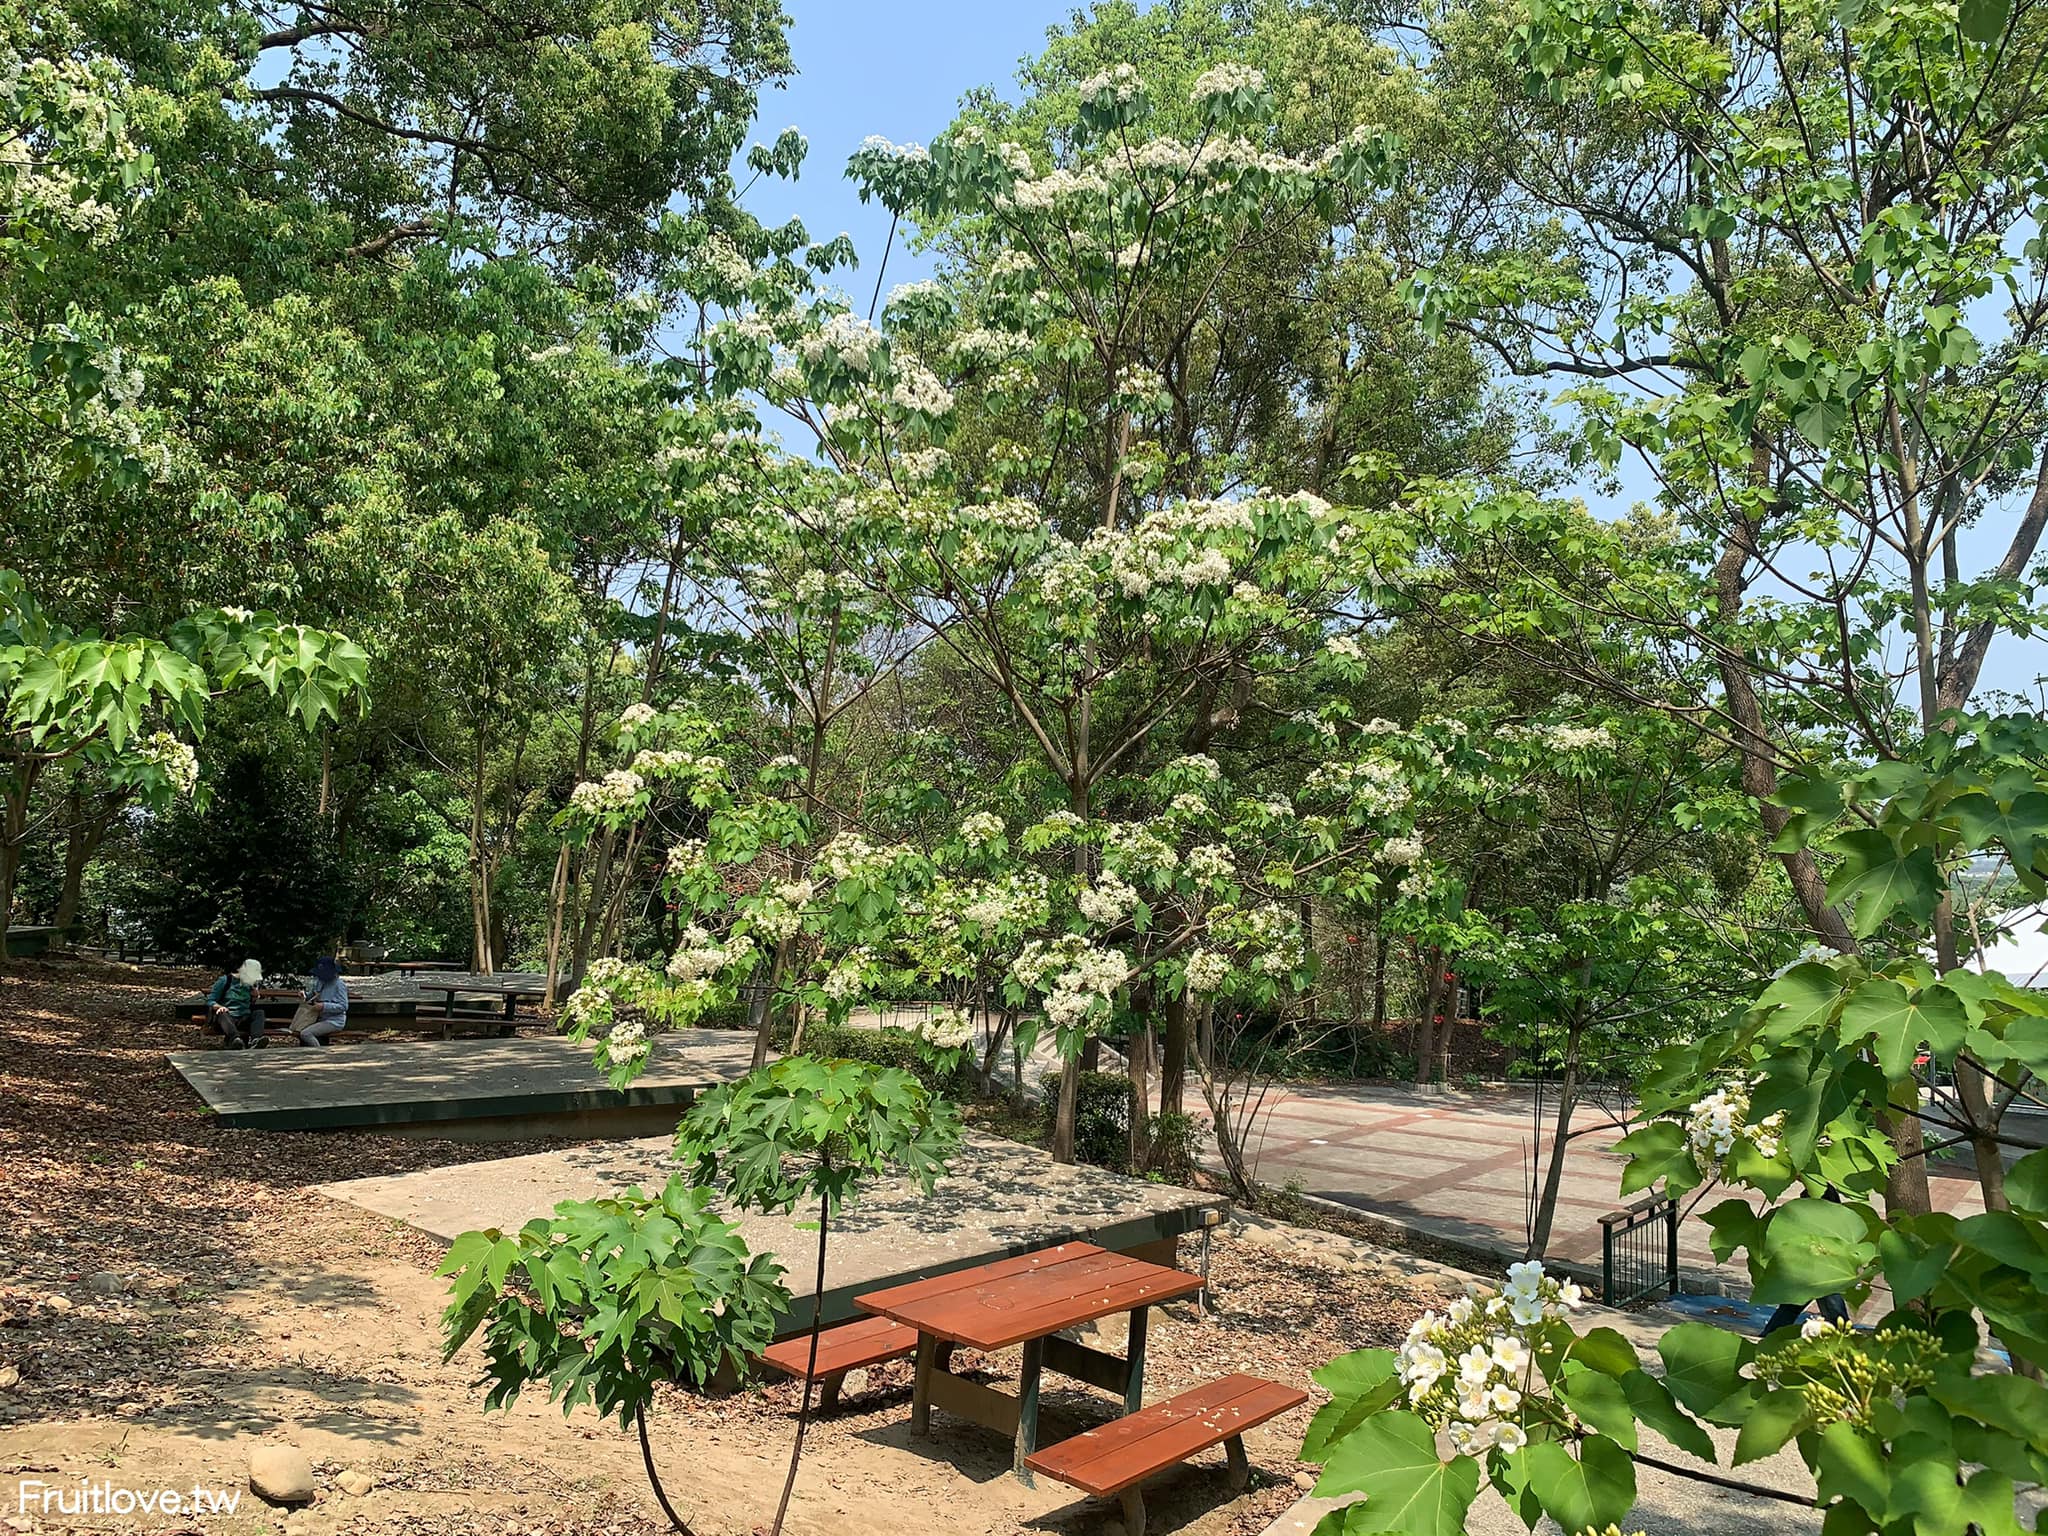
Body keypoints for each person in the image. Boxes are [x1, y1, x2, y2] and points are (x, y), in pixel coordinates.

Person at [207, 959, 267, 1049]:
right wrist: (220, 1007)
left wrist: (254, 996)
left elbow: (248, 1003)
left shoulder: (248, 985)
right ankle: (235, 1040)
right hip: (228, 1019)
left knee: (259, 1013)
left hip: (244, 1017)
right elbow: (210, 1001)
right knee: (222, 1014)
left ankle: (256, 1040)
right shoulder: (225, 981)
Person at [297, 957, 348, 1046]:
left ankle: (318, 1051)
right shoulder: (319, 982)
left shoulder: (339, 985)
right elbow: (312, 995)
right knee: (298, 1029)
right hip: (318, 1018)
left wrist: (324, 1006)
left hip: (334, 1021)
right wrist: (304, 995)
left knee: (306, 1034)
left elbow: (343, 1006)